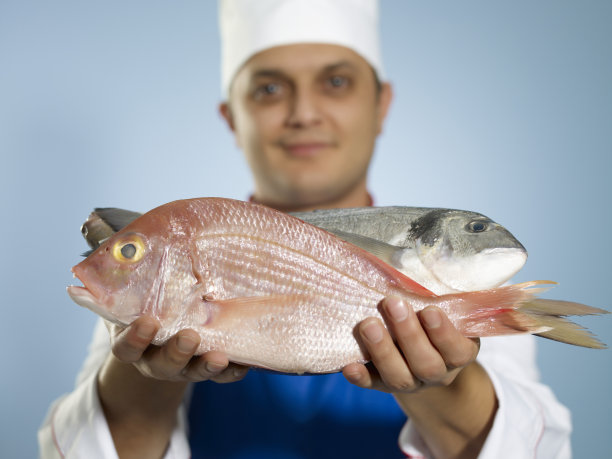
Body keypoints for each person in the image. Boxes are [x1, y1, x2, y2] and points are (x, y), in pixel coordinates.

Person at [39, 1, 572, 457]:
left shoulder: (455, 269)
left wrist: (441, 386)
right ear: (232, 117)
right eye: (269, 89)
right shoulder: (169, 263)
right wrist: (143, 377)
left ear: (380, 105)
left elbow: (542, 446)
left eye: (335, 82)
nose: (304, 112)